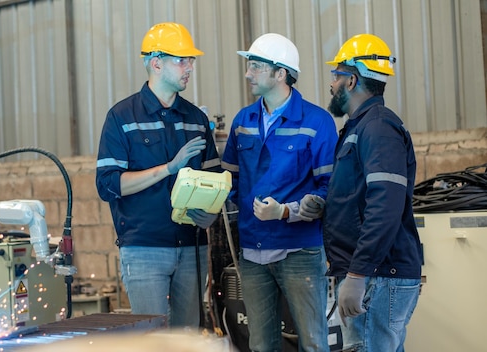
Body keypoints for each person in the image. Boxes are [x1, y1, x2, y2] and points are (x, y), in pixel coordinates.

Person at [95, 22, 221, 328]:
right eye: (182, 60)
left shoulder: (195, 118)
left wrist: (211, 215)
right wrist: (169, 168)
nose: (189, 67)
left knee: (187, 339)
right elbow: (108, 185)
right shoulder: (121, 118)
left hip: (191, 247)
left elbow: (215, 178)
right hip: (144, 250)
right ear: (156, 63)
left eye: (191, 60)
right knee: (151, 339)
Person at [221, 33, 337, 352]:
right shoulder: (243, 122)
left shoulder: (317, 122)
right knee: (260, 345)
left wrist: (285, 212)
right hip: (252, 251)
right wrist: (207, 202)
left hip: (299, 251)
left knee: (313, 342)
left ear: (280, 73)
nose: (248, 74)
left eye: (256, 66)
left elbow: (329, 192)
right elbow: (228, 181)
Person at [323, 33, 422, 351]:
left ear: (351, 81)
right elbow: (360, 199)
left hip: (378, 277)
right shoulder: (362, 127)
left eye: (335, 76)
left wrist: (357, 273)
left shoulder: (377, 128)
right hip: (375, 274)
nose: (331, 84)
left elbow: (385, 205)